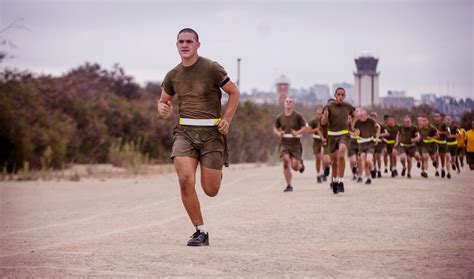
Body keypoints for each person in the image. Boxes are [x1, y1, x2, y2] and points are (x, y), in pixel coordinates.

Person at [158, 28, 240, 246]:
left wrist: (227, 119)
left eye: (189, 41)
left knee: (210, 190)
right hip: (185, 132)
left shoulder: (211, 68)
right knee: (185, 179)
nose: (185, 45)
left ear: (197, 45)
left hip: (212, 134)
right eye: (181, 42)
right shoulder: (172, 75)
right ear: (176, 45)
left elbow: (234, 92)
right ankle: (200, 231)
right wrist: (163, 109)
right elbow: (163, 100)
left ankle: (215, 171)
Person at [321, 87, 355, 194]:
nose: (340, 96)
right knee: (334, 162)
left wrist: (352, 126)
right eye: (338, 94)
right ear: (335, 95)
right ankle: (334, 181)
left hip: (343, 134)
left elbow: (353, 115)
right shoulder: (329, 106)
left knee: (341, 155)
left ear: (344, 96)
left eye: (342, 95)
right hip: (331, 136)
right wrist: (326, 116)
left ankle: (341, 181)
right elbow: (323, 123)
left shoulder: (348, 106)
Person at [273, 97, 307, 192]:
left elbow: (304, 127)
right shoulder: (280, 117)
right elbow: (275, 128)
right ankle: (289, 185)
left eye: (290, 102)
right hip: (284, 143)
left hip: (295, 144)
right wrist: (278, 134)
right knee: (286, 161)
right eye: (287, 101)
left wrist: (297, 132)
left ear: (293, 104)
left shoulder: (298, 116)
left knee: (295, 167)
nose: (288, 103)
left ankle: (300, 165)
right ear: (284, 104)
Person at [353, 109, 379, 184]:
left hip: (370, 143)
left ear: (366, 115)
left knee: (368, 160)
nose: (361, 117)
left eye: (363, 116)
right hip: (361, 144)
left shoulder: (371, 121)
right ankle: (368, 178)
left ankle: (373, 169)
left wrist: (377, 138)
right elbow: (354, 132)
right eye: (360, 116)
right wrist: (355, 134)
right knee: (364, 161)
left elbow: (378, 128)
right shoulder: (357, 123)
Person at [308, 106, 326, 183]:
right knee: (318, 159)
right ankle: (318, 174)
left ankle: (323, 173)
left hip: (324, 141)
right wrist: (316, 129)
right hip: (316, 141)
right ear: (316, 111)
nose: (320, 111)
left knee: (323, 156)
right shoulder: (313, 121)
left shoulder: (326, 120)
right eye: (318, 109)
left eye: (321, 109)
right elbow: (308, 131)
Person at [433, 113, 449, 178]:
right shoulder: (432, 125)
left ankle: (442, 169)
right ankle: (436, 170)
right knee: (436, 155)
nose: (436, 118)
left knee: (442, 157)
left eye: (438, 116)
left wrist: (440, 132)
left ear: (440, 117)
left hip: (442, 142)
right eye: (435, 116)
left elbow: (448, 132)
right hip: (435, 142)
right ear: (434, 118)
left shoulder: (444, 124)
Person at [370, 112, 384, 178]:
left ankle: (379, 170)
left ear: (376, 117)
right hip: (371, 142)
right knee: (372, 157)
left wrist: (378, 135)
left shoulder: (380, 125)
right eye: (371, 116)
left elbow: (386, 134)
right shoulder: (368, 125)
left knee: (378, 156)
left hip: (379, 142)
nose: (373, 118)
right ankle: (374, 168)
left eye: (374, 116)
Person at [349, 109, 361, 181]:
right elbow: (346, 130)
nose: (357, 113)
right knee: (353, 160)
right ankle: (354, 174)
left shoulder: (361, 122)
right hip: (351, 143)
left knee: (359, 160)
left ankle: (359, 175)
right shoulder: (349, 122)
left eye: (358, 111)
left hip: (360, 143)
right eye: (356, 111)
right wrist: (351, 133)